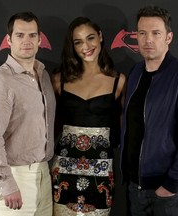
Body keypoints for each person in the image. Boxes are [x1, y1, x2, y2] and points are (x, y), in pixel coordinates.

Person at [120, 5, 178, 216]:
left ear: (169, 37)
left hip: (167, 192)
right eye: (142, 33)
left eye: (156, 33)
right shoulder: (135, 73)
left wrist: (171, 184)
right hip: (135, 187)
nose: (148, 39)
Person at [0, 12, 55, 216]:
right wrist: (7, 184)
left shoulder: (43, 75)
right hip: (15, 176)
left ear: (40, 39)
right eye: (20, 35)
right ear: (8, 39)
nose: (26, 41)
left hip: (43, 175)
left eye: (32, 35)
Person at [51, 17, 126, 216]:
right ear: (72, 46)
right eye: (78, 42)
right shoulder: (59, 80)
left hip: (100, 172)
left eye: (90, 38)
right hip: (64, 169)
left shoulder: (118, 81)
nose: (86, 46)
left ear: (100, 37)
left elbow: (128, 127)